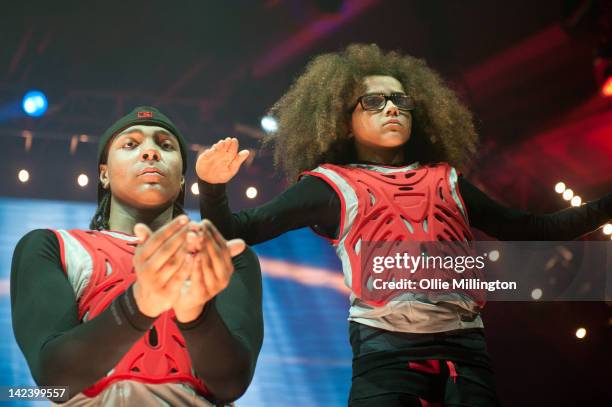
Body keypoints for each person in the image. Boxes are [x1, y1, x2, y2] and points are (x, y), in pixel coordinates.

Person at [195, 44, 612, 406]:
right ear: (344, 121)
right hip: (383, 349)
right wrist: (212, 187)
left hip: (465, 347)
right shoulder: (329, 187)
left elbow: (533, 229)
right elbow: (236, 231)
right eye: (373, 102)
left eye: (400, 100)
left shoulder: (446, 180)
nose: (392, 108)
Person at [11, 106, 263, 406]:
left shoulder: (227, 258)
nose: (150, 153)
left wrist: (196, 314)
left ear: (182, 180)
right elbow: (54, 379)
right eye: (131, 144)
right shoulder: (51, 247)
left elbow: (231, 383)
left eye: (165, 145)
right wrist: (141, 303)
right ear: (103, 174)